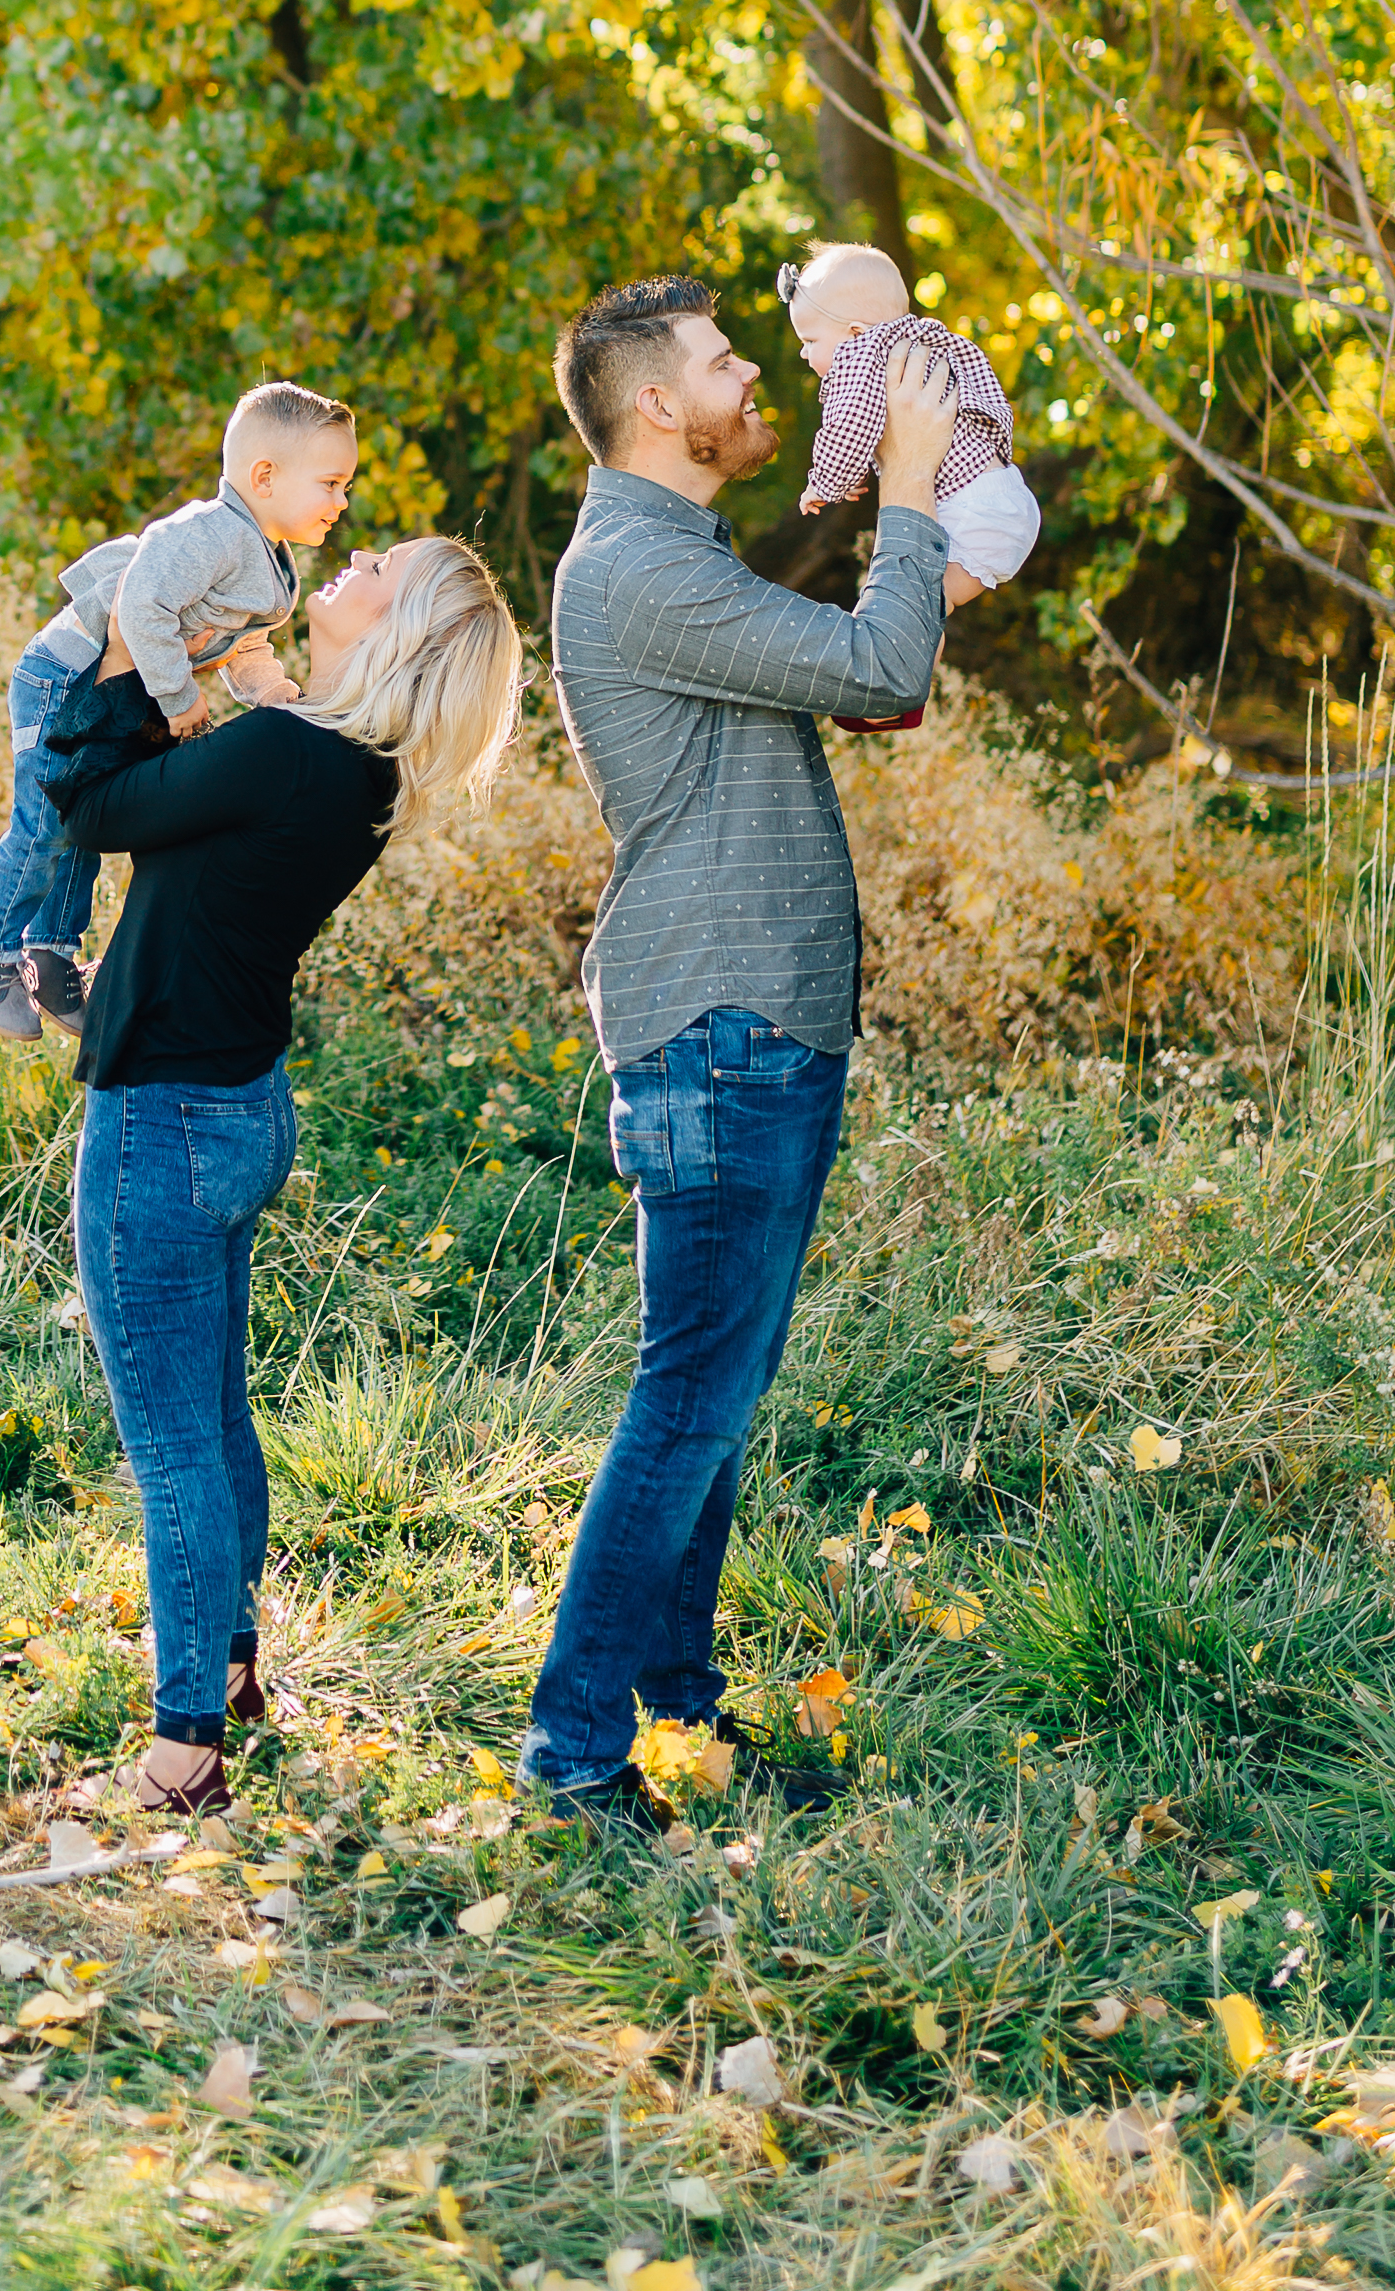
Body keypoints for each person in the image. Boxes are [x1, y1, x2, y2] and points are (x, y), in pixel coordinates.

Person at [518, 272, 958, 1818]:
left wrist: (916, 556)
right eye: (723, 364)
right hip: (718, 1027)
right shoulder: (633, 568)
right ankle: (570, 1757)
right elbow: (872, 666)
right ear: (657, 407)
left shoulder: (675, 561)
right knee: (685, 1401)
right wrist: (907, 488)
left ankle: (678, 1717)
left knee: (710, 1399)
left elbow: (850, 674)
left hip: (755, 1023)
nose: (753, 378)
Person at [45, 532, 524, 1814]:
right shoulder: (348, 766)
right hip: (239, 1104)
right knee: (213, 1409)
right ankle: (237, 1668)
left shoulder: (283, 752)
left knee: (171, 1440)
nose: (353, 552)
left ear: (396, 625)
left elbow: (89, 805)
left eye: (380, 562)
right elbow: (197, 890)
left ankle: (181, 1746)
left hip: (165, 1117)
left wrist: (110, 661)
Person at [0, 380, 358, 1042]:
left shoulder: (270, 557)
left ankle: (50, 958)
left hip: (115, 694)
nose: (340, 502)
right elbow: (139, 607)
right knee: (47, 818)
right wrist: (181, 701)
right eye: (331, 483)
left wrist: (277, 694)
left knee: (80, 823)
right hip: (69, 677)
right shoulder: (211, 532)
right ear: (264, 476)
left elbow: (242, 646)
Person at [783, 242, 1040, 617]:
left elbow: (849, 426)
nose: (805, 354)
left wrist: (825, 482)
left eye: (810, 341)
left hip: (968, 510)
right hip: (1003, 493)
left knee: (916, 612)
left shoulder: (859, 355)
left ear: (854, 332)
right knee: (928, 606)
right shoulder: (926, 339)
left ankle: (907, 676)